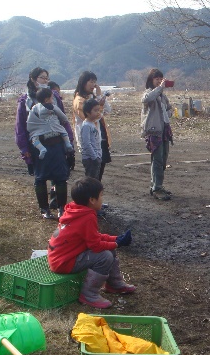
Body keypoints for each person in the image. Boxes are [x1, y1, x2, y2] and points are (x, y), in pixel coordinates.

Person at [47, 177, 135, 309]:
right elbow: (96, 245)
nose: (102, 199)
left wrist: (114, 239)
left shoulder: (76, 210)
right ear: (92, 200)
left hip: (60, 257)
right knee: (105, 256)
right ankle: (88, 294)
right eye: (101, 196)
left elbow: (93, 237)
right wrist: (118, 244)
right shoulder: (88, 217)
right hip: (64, 262)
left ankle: (114, 284)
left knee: (108, 250)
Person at [15, 67, 74, 219]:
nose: (45, 81)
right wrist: (24, 147)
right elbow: (20, 126)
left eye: (47, 78)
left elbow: (64, 120)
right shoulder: (25, 101)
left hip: (57, 142)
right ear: (33, 79)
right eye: (42, 78)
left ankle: (61, 207)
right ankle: (44, 209)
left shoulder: (54, 97)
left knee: (61, 176)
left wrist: (69, 140)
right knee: (40, 177)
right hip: (38, 144)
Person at [141, 68, 174, 201]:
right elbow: (147, 99)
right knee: (157, 160)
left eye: (161, 79)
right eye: (157, 79)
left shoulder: (162, 96)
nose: (159, 81)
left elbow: (169, 108)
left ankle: (156, 185)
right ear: (151, 80)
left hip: (164, 130)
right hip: (154, 131)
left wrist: (169, 113)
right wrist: (160, 88)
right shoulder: (149, 93)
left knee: (163, 158)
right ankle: (157, 188)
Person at [73, 71, 112, 181]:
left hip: (99, 138)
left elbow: (107, 111)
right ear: (83, 83)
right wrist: (99, 102)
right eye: (91, 81)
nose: (94, 85)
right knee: (92, 176)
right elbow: (94, 116)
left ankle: (96, 196)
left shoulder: (92, 97)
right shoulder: (80, 100)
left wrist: (99, 97)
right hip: (90, 142)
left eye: (95, 82)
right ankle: (91, 196)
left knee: (99, 172)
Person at [27, 87, 74, 159]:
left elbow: (31, 120)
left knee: (34, 139)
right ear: (47, 99)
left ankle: (41, 149)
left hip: (42, 133)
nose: (52, 100)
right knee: (64, 132)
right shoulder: (53, 107)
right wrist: (63, 121)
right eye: (52, 98)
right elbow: (63, 117)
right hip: (56, 130)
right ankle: (68, 144)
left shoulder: (35, 108)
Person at [80, 98, 103, 179]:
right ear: (87, 112)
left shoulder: (92, 123)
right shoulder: (86, 125)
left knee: (95, 179)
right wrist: (94, 157)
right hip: (90, 158)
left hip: (96, 157)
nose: (98, 113)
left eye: (98, 110)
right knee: (90, 180)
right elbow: (86, 143)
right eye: (95, 110)